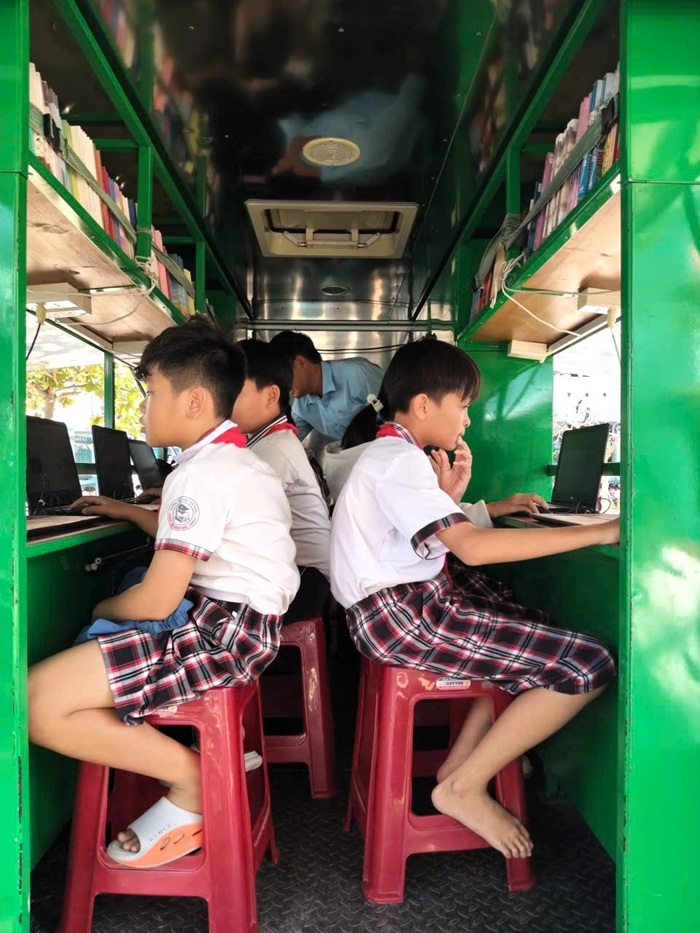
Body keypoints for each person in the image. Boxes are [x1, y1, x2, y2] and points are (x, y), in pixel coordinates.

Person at [330, 338, 617, 860]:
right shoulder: (397, 460)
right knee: (588, 664)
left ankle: (459, 768)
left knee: (516, 624)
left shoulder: (394, 454)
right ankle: (464, 786)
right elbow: (474, 548)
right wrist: (599, 531)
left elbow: (428, 537)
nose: (466, 420)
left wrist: (451, 498)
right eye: (462, 406)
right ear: (423, 405)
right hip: (405, 616)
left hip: (402, 608)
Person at [27, 317, 299, 869]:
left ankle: (194, 780)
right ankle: (202, 757)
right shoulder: (229, 461)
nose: (143, 408)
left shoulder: (199, 476)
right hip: (242, 627)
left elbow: (155, 602)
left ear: (194, 401)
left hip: (222, 636)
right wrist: (129, 513)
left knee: (33, 701)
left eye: (151, 394)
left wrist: (99, 608)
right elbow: (195, 537)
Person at [323, 392, 548, 522]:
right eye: (463, 406)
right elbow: (448, 536)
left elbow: (431, 519)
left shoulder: (358, 478)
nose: (467, 421)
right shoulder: (397, 465)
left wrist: (482, 507)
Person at [234, 339, 331, 622]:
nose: (222, 401)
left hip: (305, 580)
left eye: (234, 390)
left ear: (271, 395)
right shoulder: (268, 441)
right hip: (296, 574)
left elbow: (226, 519)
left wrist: (133, 512)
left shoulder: (273, 450)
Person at [269, 330, 383, 442]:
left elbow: (392, 413)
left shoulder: (358, 374)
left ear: (300, 363)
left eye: (283, 374)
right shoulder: (301, 407)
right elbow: (287, 442)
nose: (281, 383)